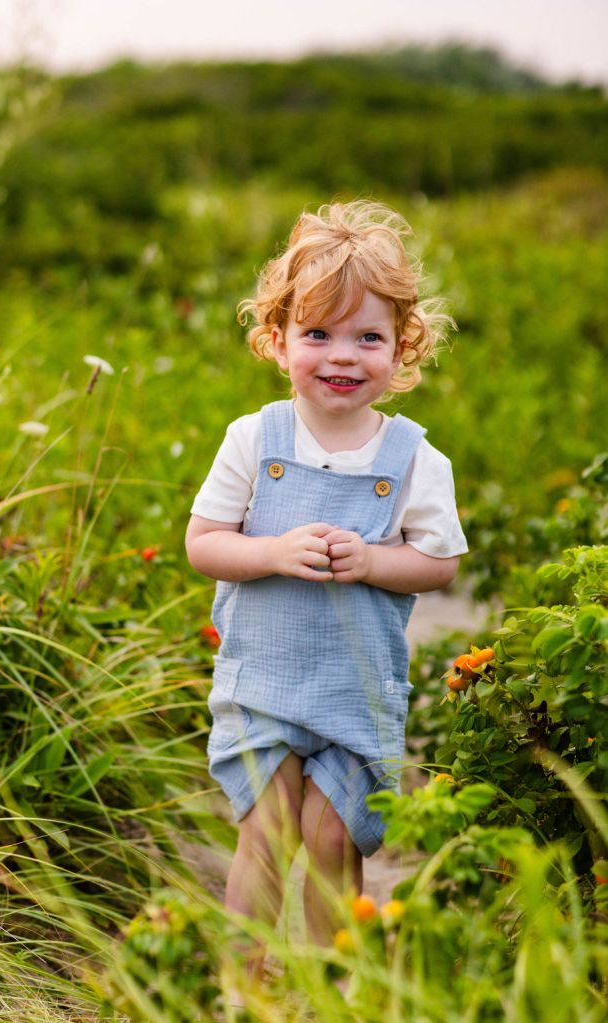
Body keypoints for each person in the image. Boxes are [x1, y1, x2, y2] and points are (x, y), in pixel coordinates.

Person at [185, 200, 468, 981]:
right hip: (265, 685)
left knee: (333, 835)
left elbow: (438, 563)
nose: (341, 356)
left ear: (401, 347)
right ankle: (244, 980)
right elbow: (203, 544)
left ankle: (329, 980)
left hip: (351, 691)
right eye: (317, 334)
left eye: (366, 337)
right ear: (277, 341)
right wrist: (272, 550)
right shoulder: (255, 438)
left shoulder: (413, 457)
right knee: (267, 829)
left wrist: (376, 562)